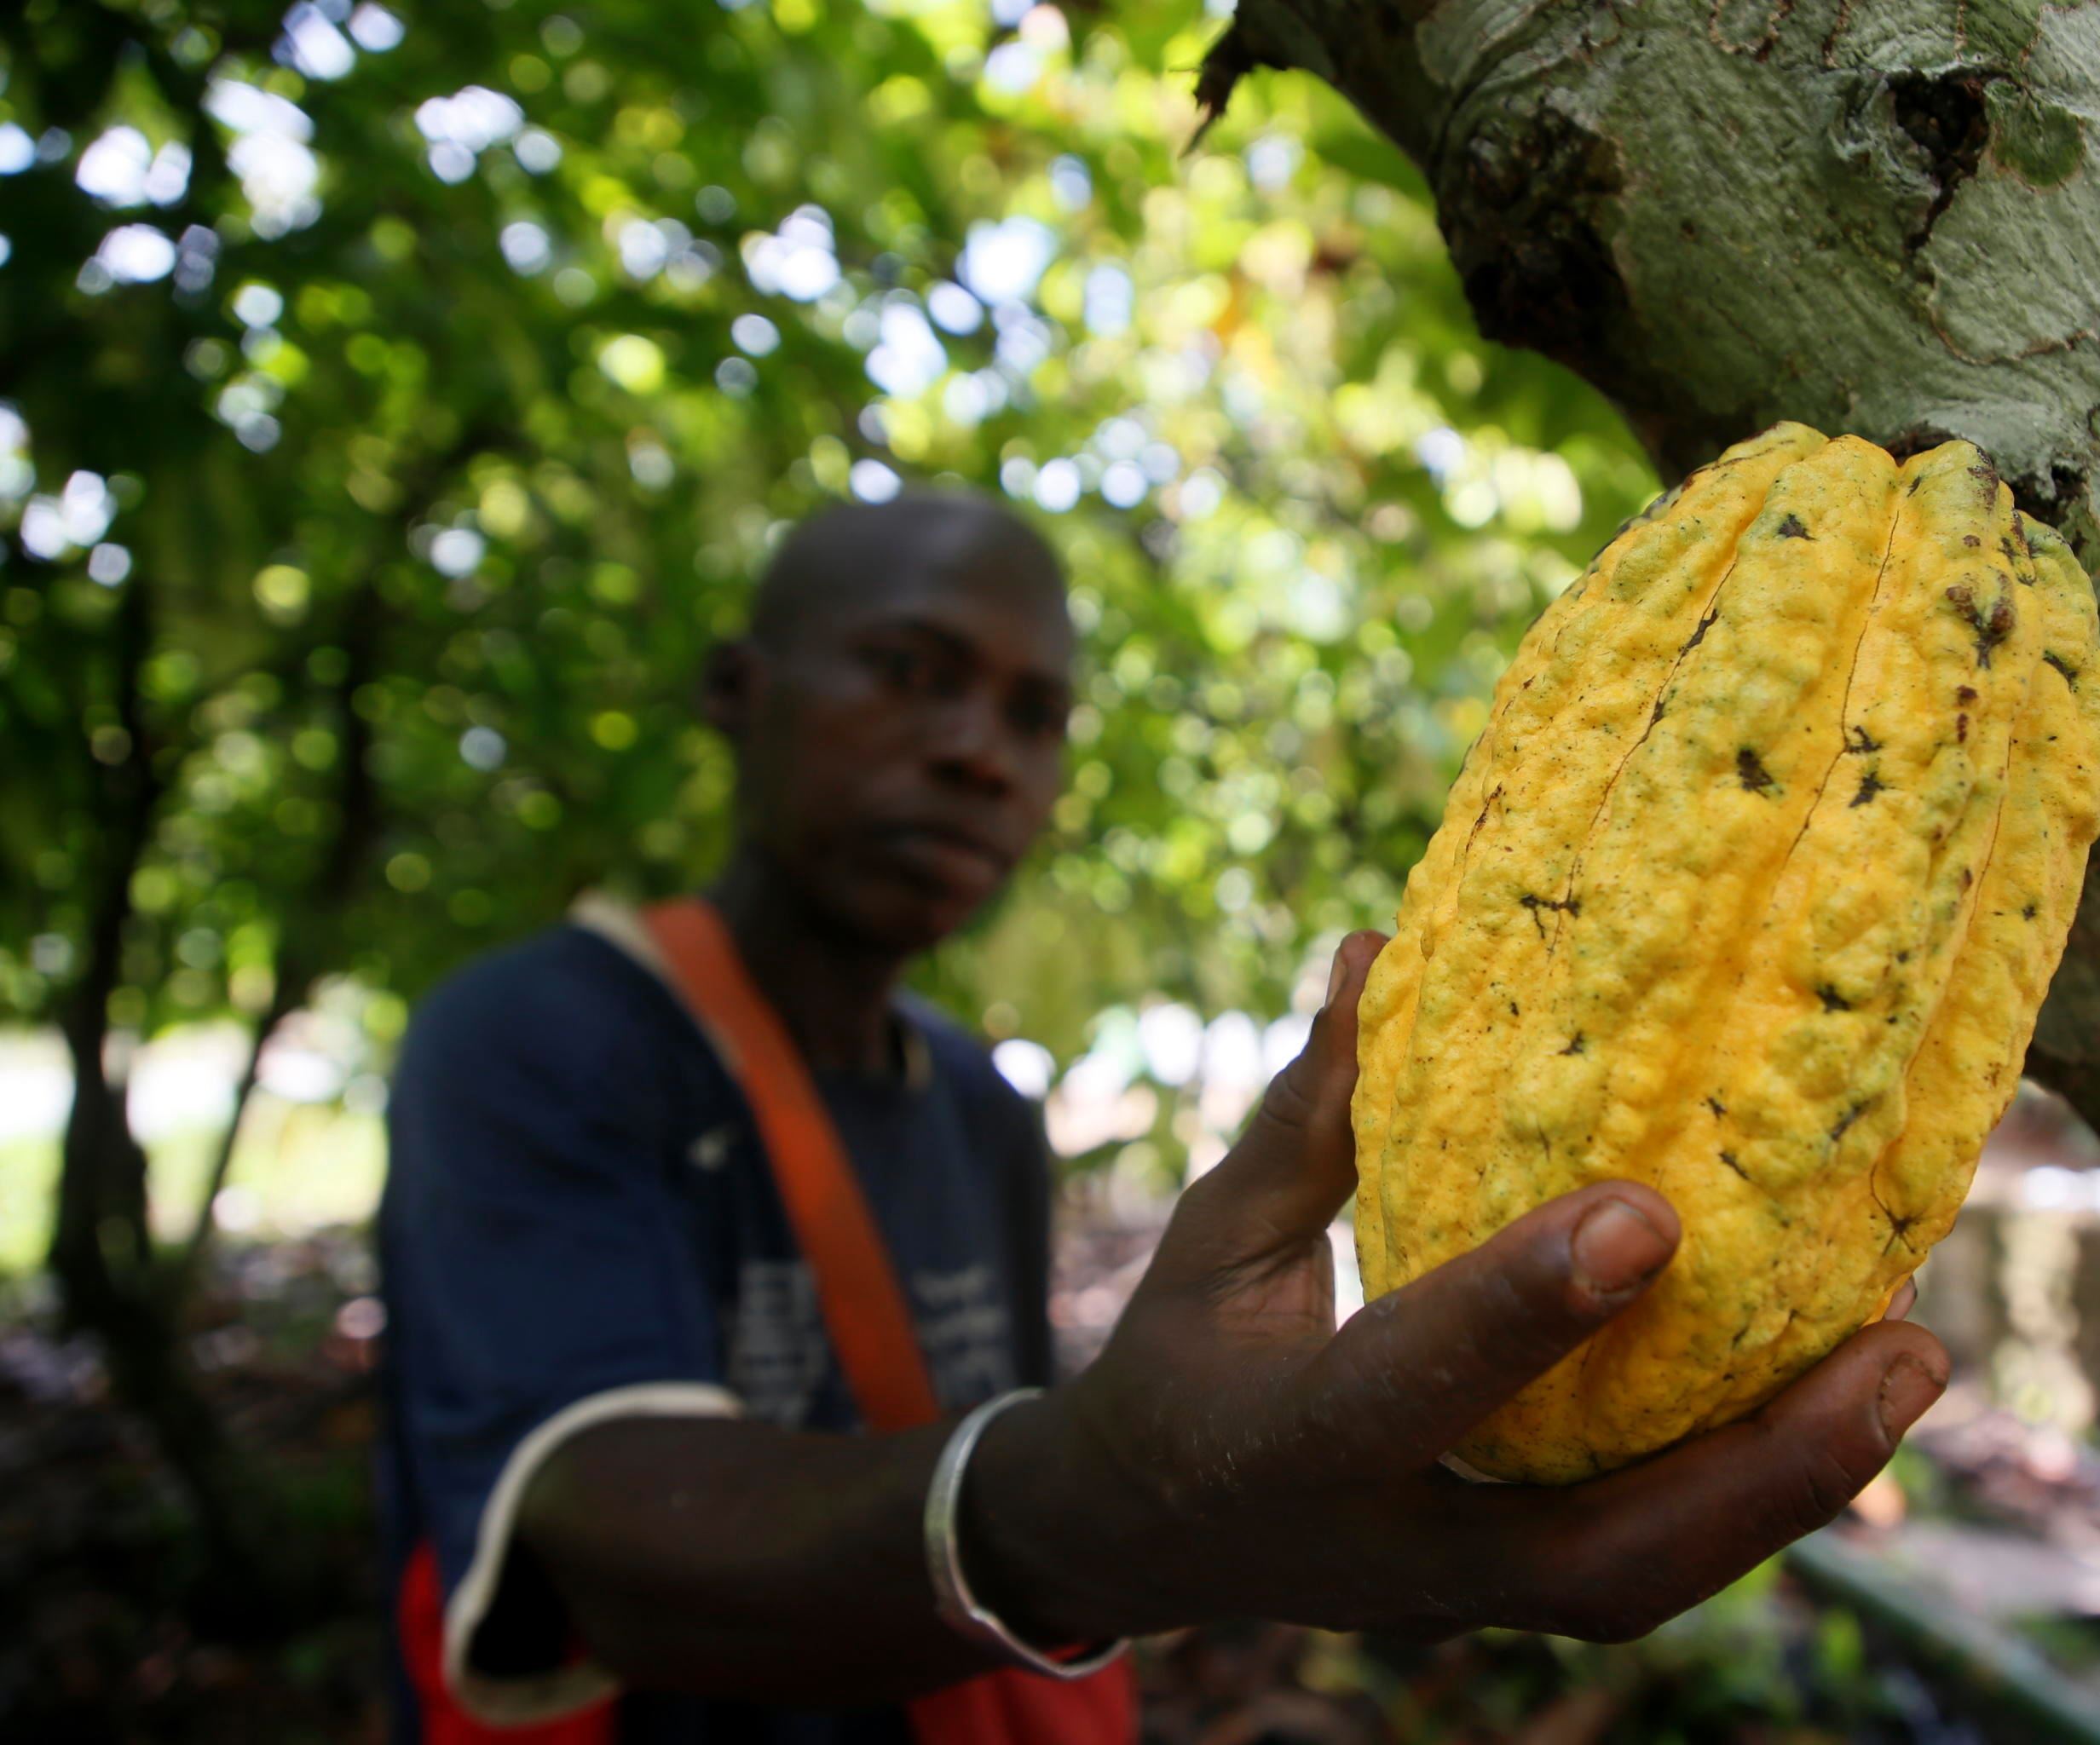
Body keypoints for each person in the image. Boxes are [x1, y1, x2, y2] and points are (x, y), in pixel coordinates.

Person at [373, 492, 1950, 1743]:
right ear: (741, 690)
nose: (975, 752)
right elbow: (595, 1549)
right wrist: (1111, 1517)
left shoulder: (979, 1113)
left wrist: (1162, 1519)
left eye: (1034, 715)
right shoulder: (541, 1039)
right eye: (912, 673)